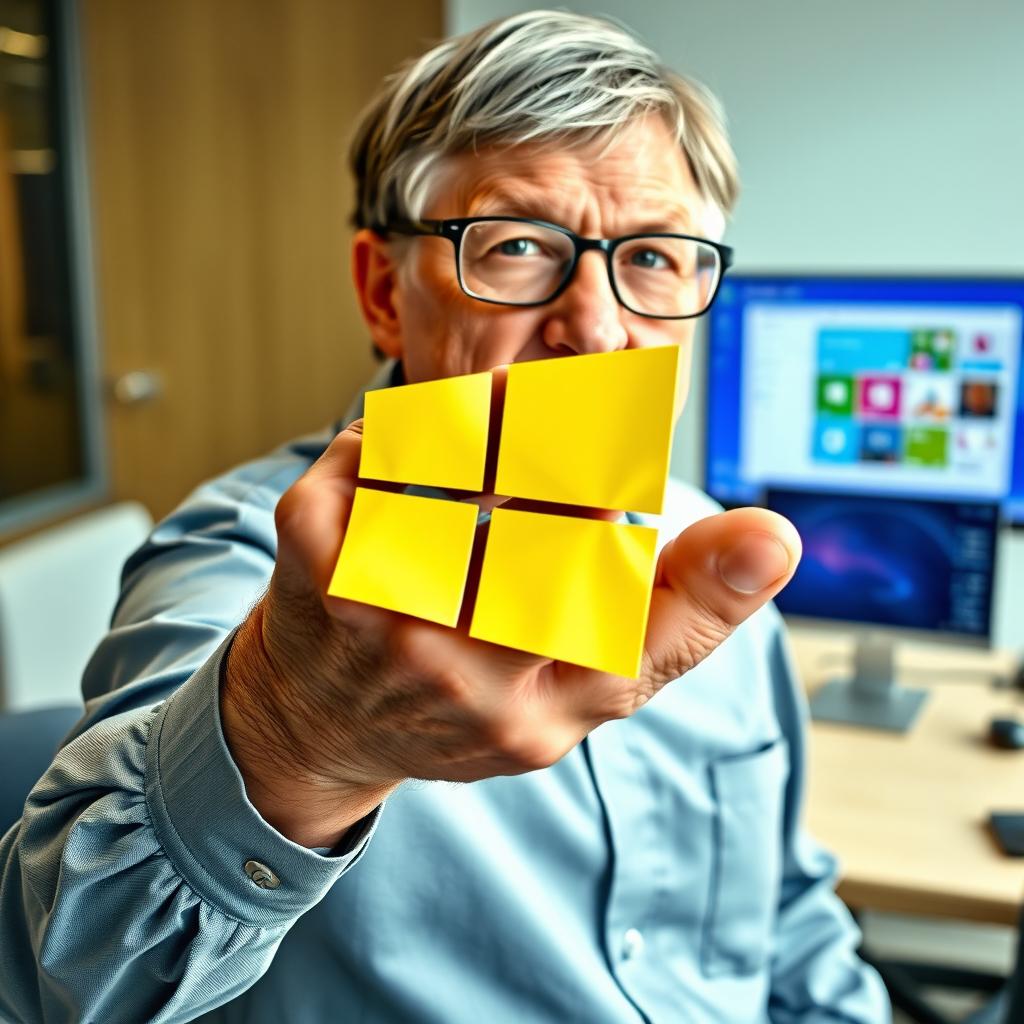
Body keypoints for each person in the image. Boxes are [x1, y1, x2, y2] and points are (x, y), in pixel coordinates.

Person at [0, 11, 890, 1023]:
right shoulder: (254, 563)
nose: (595, 328)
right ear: (384, 291)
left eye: (652, 258)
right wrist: (292, 739)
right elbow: (57, 977)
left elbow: (786, 913)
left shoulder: (717, 568)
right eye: (515, 244)